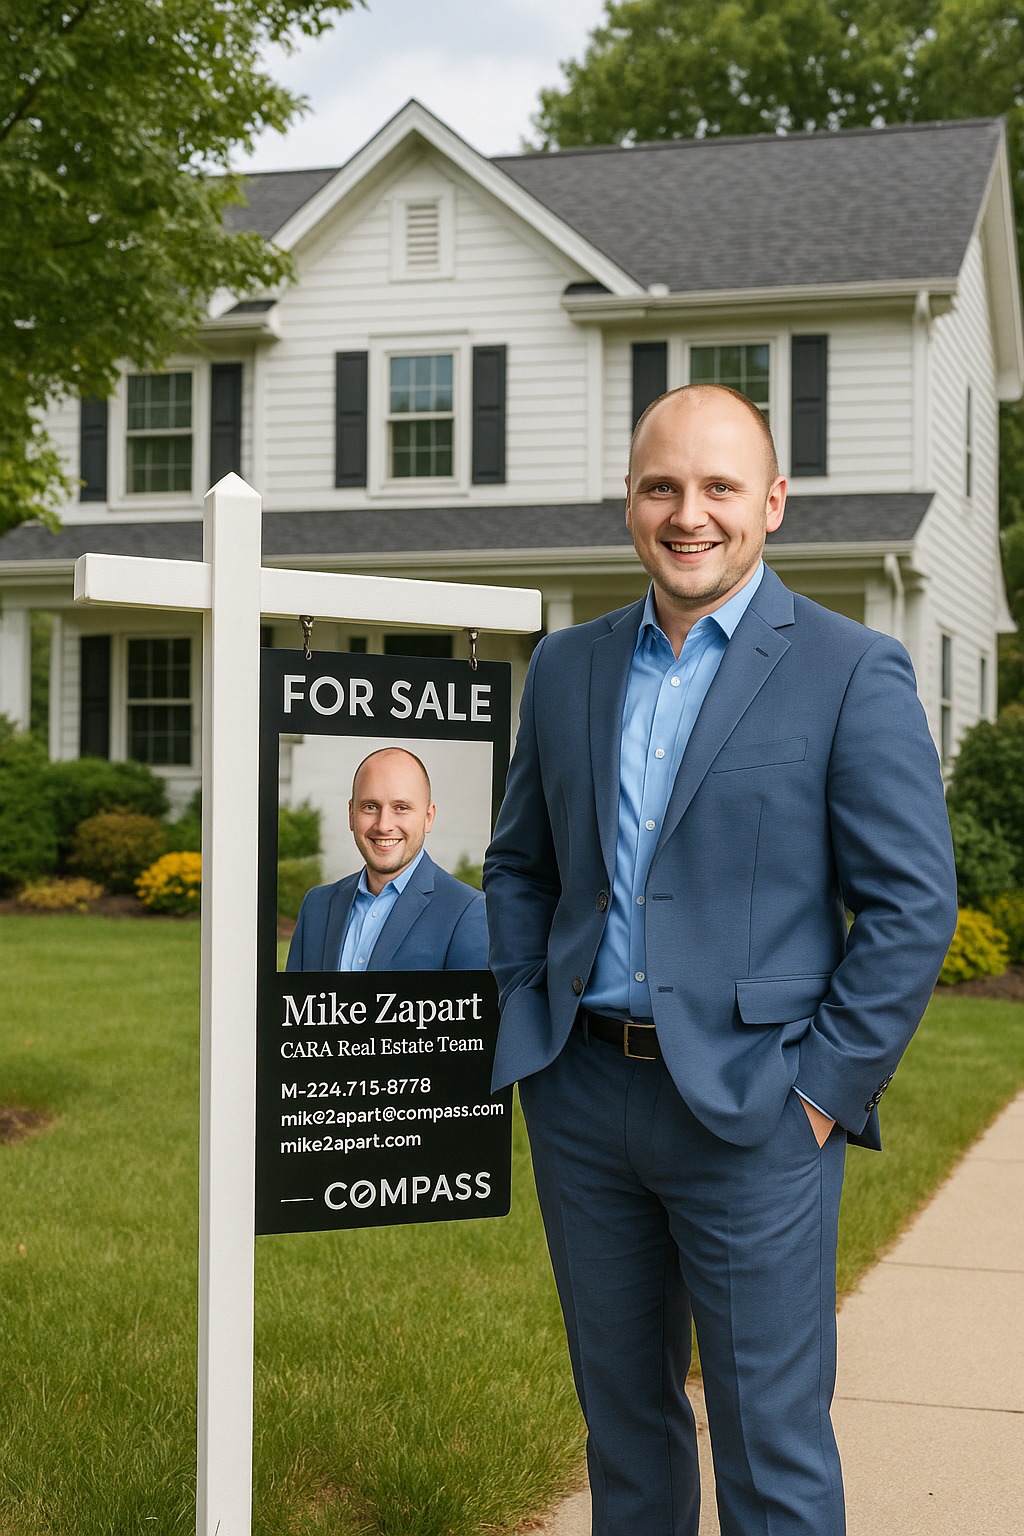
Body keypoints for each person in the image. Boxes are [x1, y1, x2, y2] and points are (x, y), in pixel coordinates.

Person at [483, 384, 957, 1535]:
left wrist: (819, 1096)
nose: (688, 513)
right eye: (661, 487)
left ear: (773, 503)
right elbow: (518, 868)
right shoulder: (566, 668)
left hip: (757, 1111)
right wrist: (532, 1028)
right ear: (630, 506)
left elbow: (909, 904)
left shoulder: (851, 670)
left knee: (771, 1445)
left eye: (718, 487)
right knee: (625, 1435)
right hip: (585, 1098)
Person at [287, 746, 488, 972]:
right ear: (351, 814)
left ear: (428, 818)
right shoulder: (316, 906)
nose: (384, 825)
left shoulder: (467, 911)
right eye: (370, 807)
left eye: (401, 808)